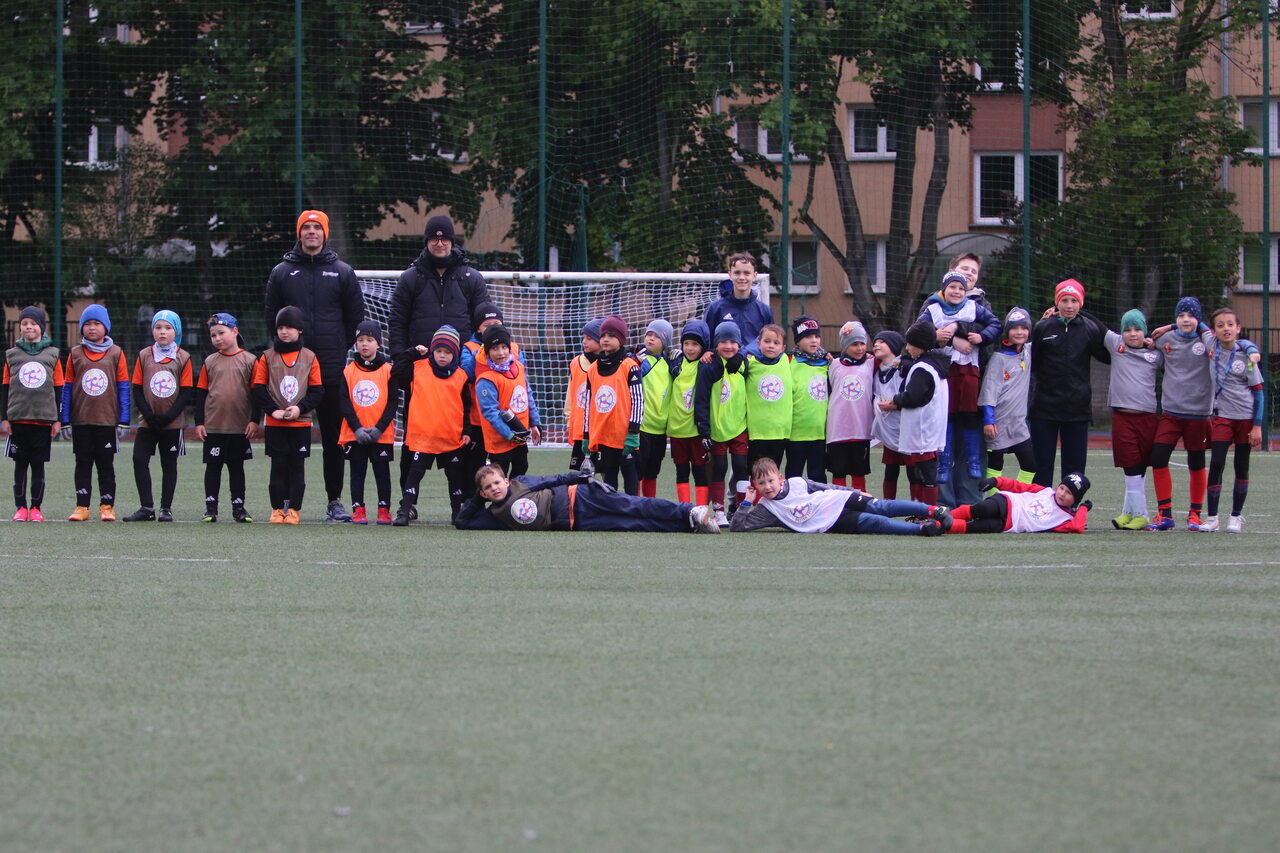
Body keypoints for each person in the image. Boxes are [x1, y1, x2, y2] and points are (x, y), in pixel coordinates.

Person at [264, 209, 366, 522]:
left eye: (316, 227)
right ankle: (285, 502)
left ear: (325, 233)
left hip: (331, 367)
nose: (311, 232)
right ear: (299, 233)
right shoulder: (282, 272)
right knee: (287, 438)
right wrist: (287, 355)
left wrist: (336, 348)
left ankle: (334, 501)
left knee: (334, 437)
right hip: (290, 373)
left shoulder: (342, 271)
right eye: (306, 227)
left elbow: (355, 318)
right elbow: (271, 317)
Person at [917, 270, 1002, 488]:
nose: (956, 291)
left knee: (969, 415)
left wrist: (982, 337)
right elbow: (917, 332)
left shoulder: (974, 307)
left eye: (961, 288)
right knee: (946, 416)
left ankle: (973, 461)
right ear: (943, 289)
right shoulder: (932, 309)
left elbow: (995, 324)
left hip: (969, 369)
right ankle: (944, 464)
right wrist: (935, 336)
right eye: (952, 287)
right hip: (943, 371)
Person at [454, 464, 719, 533]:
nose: (495, 488)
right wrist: (477, 499)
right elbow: (462, 521)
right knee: (632, 523)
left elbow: (552, 480)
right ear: (484, 493)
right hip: (576, 522)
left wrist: (581, 479)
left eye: (497, 482)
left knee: (633, 505)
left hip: (579, 497)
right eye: (488, 488)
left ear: (505, 480)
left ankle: (688, 511)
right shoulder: (494, 516)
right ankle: (689, 527)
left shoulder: (520, 482)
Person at [729, 457, 950, 536]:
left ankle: (933, 510)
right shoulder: (766, 509)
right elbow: (738, 526)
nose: (767, 487)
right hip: (832, 521)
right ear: (755, 485)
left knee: (882, 507)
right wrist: (747, 502)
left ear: (780, 478)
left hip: (838, 499)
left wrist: (855, 492)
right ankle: (922, 529)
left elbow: (827, 487)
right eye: (761, 483)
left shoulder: (797, 482)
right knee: (877, 522)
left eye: (770, 480)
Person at [1143, 297, 1216, 531]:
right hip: (1171, 412)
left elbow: (1216, 342)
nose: (1186, 320)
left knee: (1196, 462)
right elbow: (1150, 348)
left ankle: (1195, 515)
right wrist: (1165, 331)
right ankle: (1165, 514)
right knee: (1158, 457)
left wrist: (1172, 324)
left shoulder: (1206, 340)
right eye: (1181, 316)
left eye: (1191, 316)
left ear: (1199, 319)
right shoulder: (1165, 339)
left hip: (1198, 414)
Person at [1028, 278, 1110, 486]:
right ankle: (1040, 504)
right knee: (1041, 465)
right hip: (1044, 409)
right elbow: (1032, 364)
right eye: (1064, 300)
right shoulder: (1042, 327)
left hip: (1077, 410)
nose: (1069, 305)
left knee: (1074, 469)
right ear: (1057, 302)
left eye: (1074, 301)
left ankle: (1072, 504)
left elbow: (1108, 356)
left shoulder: (1089, 329)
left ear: (1080, 303)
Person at [393, 326, 473, 526]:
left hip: (450, 437)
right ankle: (405, 511)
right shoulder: (417, 368)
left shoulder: (461, 376)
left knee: (454, 477)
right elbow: (396, 371)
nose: (442, 356)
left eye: (447, 352)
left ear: (454, 354)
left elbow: (466, 406)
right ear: (432, 351)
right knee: (414, 475)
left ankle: (457, 514)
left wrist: (466, 431)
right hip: (423, 437)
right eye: (438, 351)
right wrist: (412, 352)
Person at [252, 306, 324, 524]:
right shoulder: (266, 357)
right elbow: (258, 388)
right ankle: (277, 509)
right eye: (280, 327)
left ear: (299, 329)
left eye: (289, 327)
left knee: (297, 467)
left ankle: (293, 509)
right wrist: (272, 410)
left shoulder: (310, 357)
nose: (284, 331)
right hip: (275, 424)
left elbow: (317, 390)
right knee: (278, 466)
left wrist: (300, 408)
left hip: (300, 424)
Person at [122, 310, 193, 522]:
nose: (162, 332)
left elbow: (186, 392)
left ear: (176, 331)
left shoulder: (183, 357)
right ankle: (146, 507)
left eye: (168, 328)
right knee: (139, 459)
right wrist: (148, 414)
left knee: (169, 464)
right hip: (148, 422)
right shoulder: (144, 355)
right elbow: (136, 388)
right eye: (158, 327)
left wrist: (169, 416)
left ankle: (165, 508)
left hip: (172, 423)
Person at [61, 304, 130, 521]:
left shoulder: (116, 353)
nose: (92, 328)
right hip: (81, 421)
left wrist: (124, 419)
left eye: (97, 323)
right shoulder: (75, 353)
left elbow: (123, 387)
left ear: (105, 327)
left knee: (105, 464)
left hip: (106, 421)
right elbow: (67, 387)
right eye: (88, 324)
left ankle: (107, 506)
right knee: (82, 463)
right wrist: (65, 419)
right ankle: (82, 506)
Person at [1202, 306, 1265, 532]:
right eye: (1220, 325)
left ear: (1238, 328)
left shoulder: (1247, 356)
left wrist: (1257, 426)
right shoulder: (1211, 345)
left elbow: (1259, 394)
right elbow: (1194, 323)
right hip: (1222, 417)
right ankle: (1212, 518)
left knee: (1241, 466)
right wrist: (1168, 327)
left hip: (1245, 419)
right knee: (1216, 463)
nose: (1226, 329)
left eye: (1230, 324)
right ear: (1213, 331)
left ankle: (1236, 517)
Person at [194, 313, 259, 523]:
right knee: (213, 467)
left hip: (239, 427)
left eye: (221, 333)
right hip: (214, 426)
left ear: (235, 331)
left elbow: (256, 393)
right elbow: (201, 393)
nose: (217, 338)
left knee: (236, 467)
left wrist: (254, 420)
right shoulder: (210, 361)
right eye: (213, 335)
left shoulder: (250, 360)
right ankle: (210, 508)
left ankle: (239, 508)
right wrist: (199, 422)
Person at [1101, 309, 1162, 530]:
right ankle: (1141, 514)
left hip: (1147, 417)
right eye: (1127, 329)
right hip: (1122, 417)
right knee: (1130, 465)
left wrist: (1158, 340)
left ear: (1145, 332)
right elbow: (1093, 323)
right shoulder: (1115, 345)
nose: (1133, 333)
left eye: (1137, 329)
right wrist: (1060, 310)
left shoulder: (1156, 355)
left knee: (1140, 466)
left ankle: (1128, 512)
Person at [1, 306, 63, 522]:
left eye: (33, 323)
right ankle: (21, 508)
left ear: (41, 327)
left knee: (38, 465)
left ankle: (36, 508)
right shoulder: (12, 355)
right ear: (20, 327)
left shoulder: (53, 355)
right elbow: (5, 388)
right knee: (20, 465)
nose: (29, 327)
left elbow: (59, 388)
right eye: (25, 323)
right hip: (18, 420)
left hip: (43, 421)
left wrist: (57, 419)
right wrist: (4, 417)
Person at [878, 321, 948, 507]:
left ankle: (928, 512)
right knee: (924, 473)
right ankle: (923, 512)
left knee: (924, 474)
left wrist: (896, 399)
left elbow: (914, 396)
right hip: (931, 429)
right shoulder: (936, 365)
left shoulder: (922, 368)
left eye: (910, 344)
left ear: (920, 344)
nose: (907, 348)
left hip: (922, 430)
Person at [458, 301, 522, 493]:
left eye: (496, 324)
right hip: (479, 418)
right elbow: (467, 375)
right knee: (474, 465)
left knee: (515, 464)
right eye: (487, 325)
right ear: (478, 327)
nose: (492, 327)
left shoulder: (513, 347)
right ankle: (470, 502)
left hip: (509, 418)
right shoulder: (470, 348)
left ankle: (510, 498)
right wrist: (482, 352)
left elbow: (520, 377)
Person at [338, 319, 397, 525]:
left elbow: (392, 403)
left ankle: (384, 509)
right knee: (357, 472)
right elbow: (344, 402)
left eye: (370, 340)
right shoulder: (348, 371)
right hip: (355, 434)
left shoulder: (388, 370)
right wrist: (357, 429)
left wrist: (379, 428)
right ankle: (358, 509)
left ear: (378, 344)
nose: (364, 344)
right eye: (361, 339)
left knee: (382, 472)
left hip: (381, 434)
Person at [694, 320, 749, 526]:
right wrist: (704, 430)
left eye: (733, 342)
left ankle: (742, 510)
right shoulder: (708, 365)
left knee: (741, 467)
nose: (728, 346)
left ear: (739, 344)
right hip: (717, 428)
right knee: (720, 467)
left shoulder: (743, 363)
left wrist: (741, 356)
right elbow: (701, 399)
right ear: (715, 345)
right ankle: (719, 512)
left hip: (739, 425)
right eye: (723, 341)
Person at [583, 315, 643, 492]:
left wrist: (633, 432)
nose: (605, 339)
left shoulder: (630, 366)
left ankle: (633, 508)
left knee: (630, 478)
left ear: (621, 340)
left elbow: (638, 400)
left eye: (611, 335)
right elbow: (588, 403)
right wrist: (586, 434)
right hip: (603, 435)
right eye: (603, 335)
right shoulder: (593, 369)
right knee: (609, 479)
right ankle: (612, 508)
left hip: (625, 436)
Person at [978, 307, 1035, 487]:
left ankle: (1017, 497)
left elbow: (1043, 335)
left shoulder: (1027, 351)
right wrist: (988, 420)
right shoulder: (998, 358)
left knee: (1030, 466)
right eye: (1015, 328)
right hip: (998, 422)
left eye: (1024, 328)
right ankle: (994, 499)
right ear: (1007, 331)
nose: (1019, 332)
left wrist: (1048, 319)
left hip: (1018, 423)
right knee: (995, 465)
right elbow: (988, 391)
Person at [475, 324, 541, 478]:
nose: (501, 353)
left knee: (521, 468)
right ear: (487, 352)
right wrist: (509, 434)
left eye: (504, 347)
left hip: (520, 434)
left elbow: (527, 394)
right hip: (500, 439)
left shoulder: (519, 367)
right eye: (495, 348)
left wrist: (534, 423)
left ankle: (512, 493)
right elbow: (490, 413)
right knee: (499, 476)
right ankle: (486, 496)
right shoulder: (486, 380)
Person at [945, 473, 1091, 534]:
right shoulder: (1046, 491)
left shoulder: (1065, 519)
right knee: (983, 508)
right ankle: (944, 514)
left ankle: (941, 526)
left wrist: (1083, 508)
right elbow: (1019, 486)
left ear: (1075, 500)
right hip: (1008, 502)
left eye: (1069, 493)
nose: (1062, 493)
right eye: (1062, 488)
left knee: (975, 527)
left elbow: (1077, 527)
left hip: (1010, 525)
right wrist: (996, 481)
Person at [826, 321, 875, 491]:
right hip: (837, 431)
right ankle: (839, 503)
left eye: (862, 343)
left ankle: (860, 502)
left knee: (858, 472)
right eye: (854, 344)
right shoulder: (833, 365)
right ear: (845, 345)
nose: (859, 348)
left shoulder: (871, 364)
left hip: (861, 430)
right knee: (838, 472)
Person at [666, 319, 710, 506]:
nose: (690, 348)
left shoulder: (706, 364)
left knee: (700, 472)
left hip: (696, 431)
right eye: (686, 343)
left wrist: (711, 352)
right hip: (677, 430)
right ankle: (684, 510)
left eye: (695, 344)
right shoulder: (675, 363)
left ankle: (701, 511)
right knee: (681, 472)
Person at [703, 252, 774, 358]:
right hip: (723, 365)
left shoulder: (764, 310)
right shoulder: (715, 308)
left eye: (746, 273)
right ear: (730, 275)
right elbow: (706, 342)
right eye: (737, 273)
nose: (741, 277)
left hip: (754, 364)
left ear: (754, 276)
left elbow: (770, 341)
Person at [786, 315, 829, 482]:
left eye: (816, 336)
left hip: (818, 433)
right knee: (793, 477)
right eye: (808, 337)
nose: (814, 340)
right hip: (795, 433)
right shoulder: (788, 362)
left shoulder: (827, 363)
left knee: (818, 478)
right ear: (797, 341)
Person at [743, 323, 792, 469]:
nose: (771, 346)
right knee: (755, 472)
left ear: (783, 348)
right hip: (757, 431)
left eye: (776, 343)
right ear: (758, 344)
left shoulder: (787, 360)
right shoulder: (749, 362)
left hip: (780, 431)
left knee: (773, 472)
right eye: (767, 341)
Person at [635, 319, 674, 498]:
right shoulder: (642, 361)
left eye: (656, 336)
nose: (650, 339)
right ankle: (635, 504)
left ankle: (650, 503)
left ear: (665, 342)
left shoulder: (669, 364)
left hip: (660, 428)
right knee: (638, 470)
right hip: (643, 426)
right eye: (648, 335)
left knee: (652, 471)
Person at [870, 330, 907, 499]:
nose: (876, 345)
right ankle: (888, 505)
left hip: (906, 427)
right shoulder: (877, 370)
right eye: (875, 342)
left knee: (914, 470)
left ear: (893, 345)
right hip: (888, 428)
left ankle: (919, 508)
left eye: (881, 342)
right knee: (891, 469)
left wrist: (897, 404)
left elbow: (913, 395)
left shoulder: (904, 368)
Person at [564, 318, 602, 473]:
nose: (584, 341)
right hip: (581, 428)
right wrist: (569, 419)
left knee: (605, 471)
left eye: (589, 338)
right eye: (583, 337)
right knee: (580, 473)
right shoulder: (576, 363)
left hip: (601, 428)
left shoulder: (609, 364)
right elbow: (571, 393)